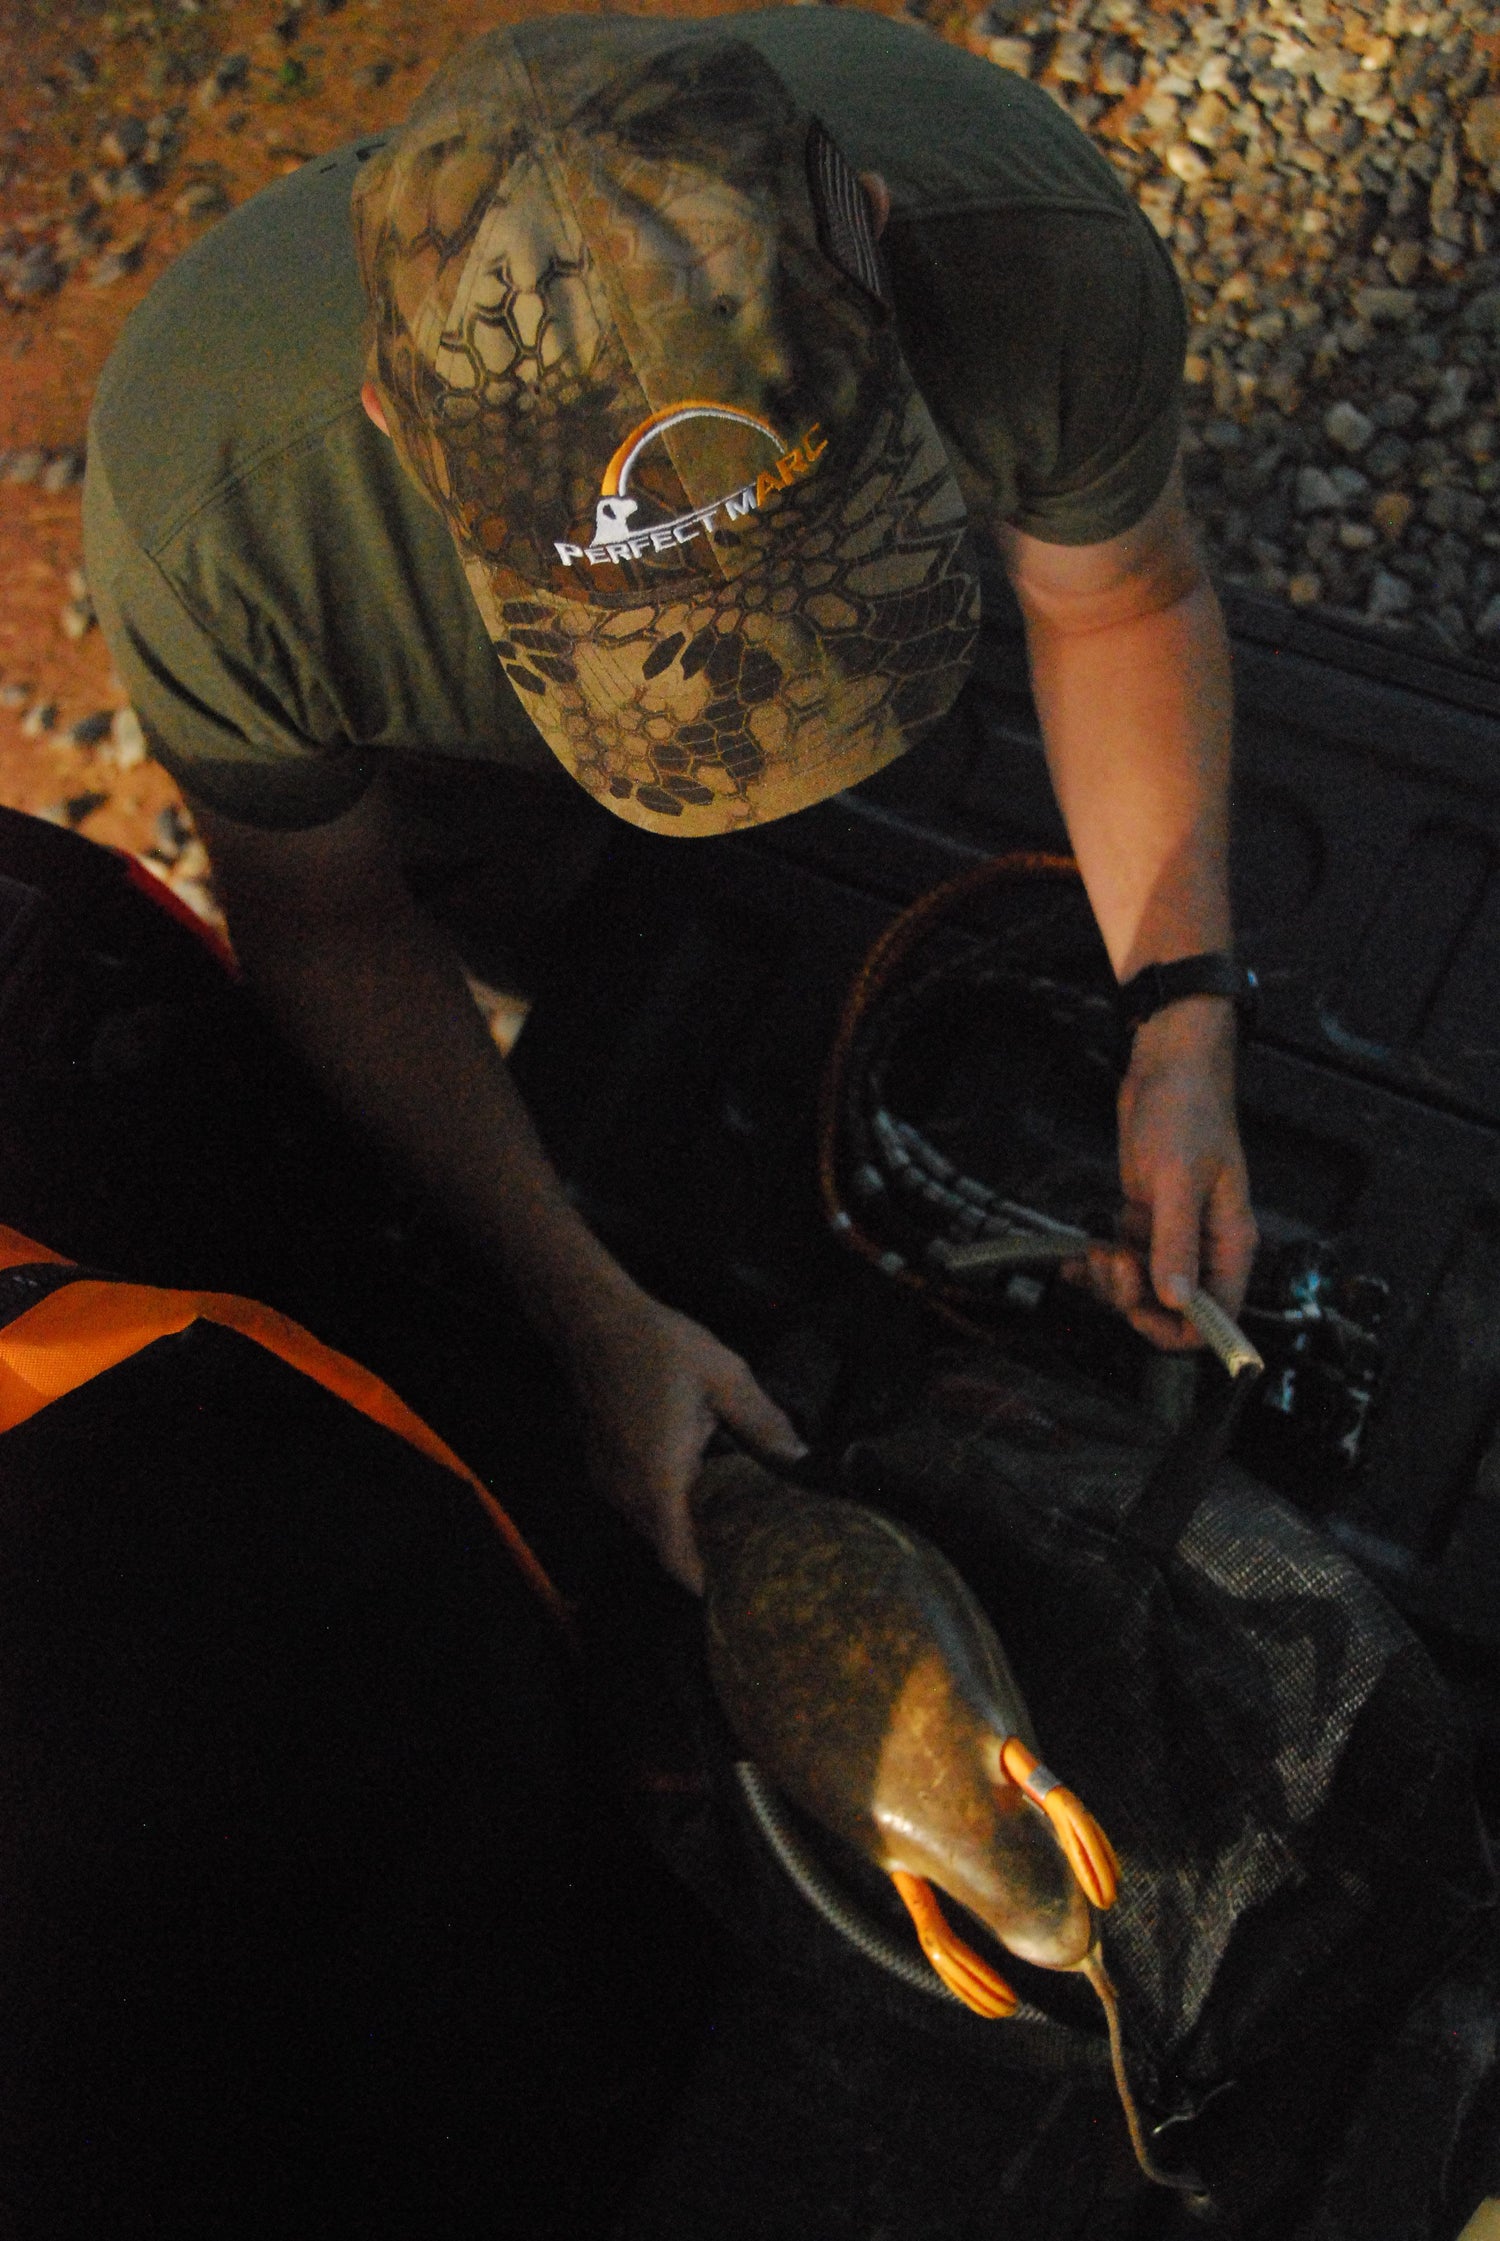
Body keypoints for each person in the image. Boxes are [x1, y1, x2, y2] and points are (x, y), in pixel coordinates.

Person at [84, 8, 1256, 1591]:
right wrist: (589, 1308)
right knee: (533, 922)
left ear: (873, 234)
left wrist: (1184, 1020)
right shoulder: (222, 519)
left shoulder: (1030, 247)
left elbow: (1119, 601)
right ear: (392, 421)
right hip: (473, 800)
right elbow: (331, 918)